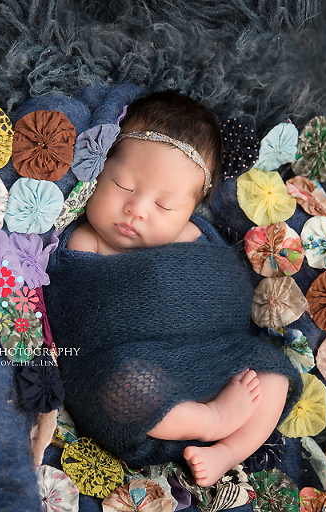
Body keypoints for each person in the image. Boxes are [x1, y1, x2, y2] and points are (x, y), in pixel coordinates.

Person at [43, 90, 300, 487]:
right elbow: (84, 319)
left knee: (274, 374)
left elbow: (222, 293)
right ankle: (209, 420)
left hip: (215, 359)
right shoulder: (84, 242)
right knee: (118, 379)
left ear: (192, 208)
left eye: (165, 206)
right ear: (99, 168)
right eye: (122, 185)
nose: (138, 209)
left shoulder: (194, 234)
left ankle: (226, 452)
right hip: (138, 389)